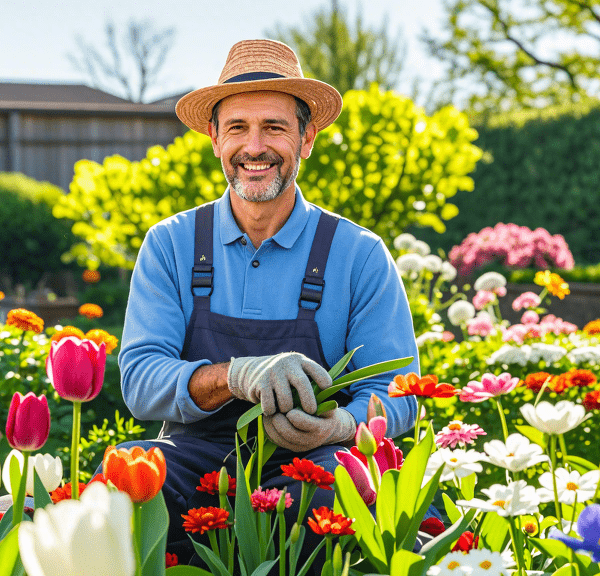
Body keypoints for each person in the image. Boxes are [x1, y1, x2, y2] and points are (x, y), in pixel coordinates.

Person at [112, 39, 419, 569]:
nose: (255, 146)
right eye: (237, 128)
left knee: (330, 504)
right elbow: (140, 381)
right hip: (193, 452)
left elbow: (397, 393)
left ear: (307, 138)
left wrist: (341, 427)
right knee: (122, 497)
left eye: (274, 127)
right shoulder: (171, 243)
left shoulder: (359, 254)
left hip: (311, 457)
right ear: (214, 139)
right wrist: (235, 376)